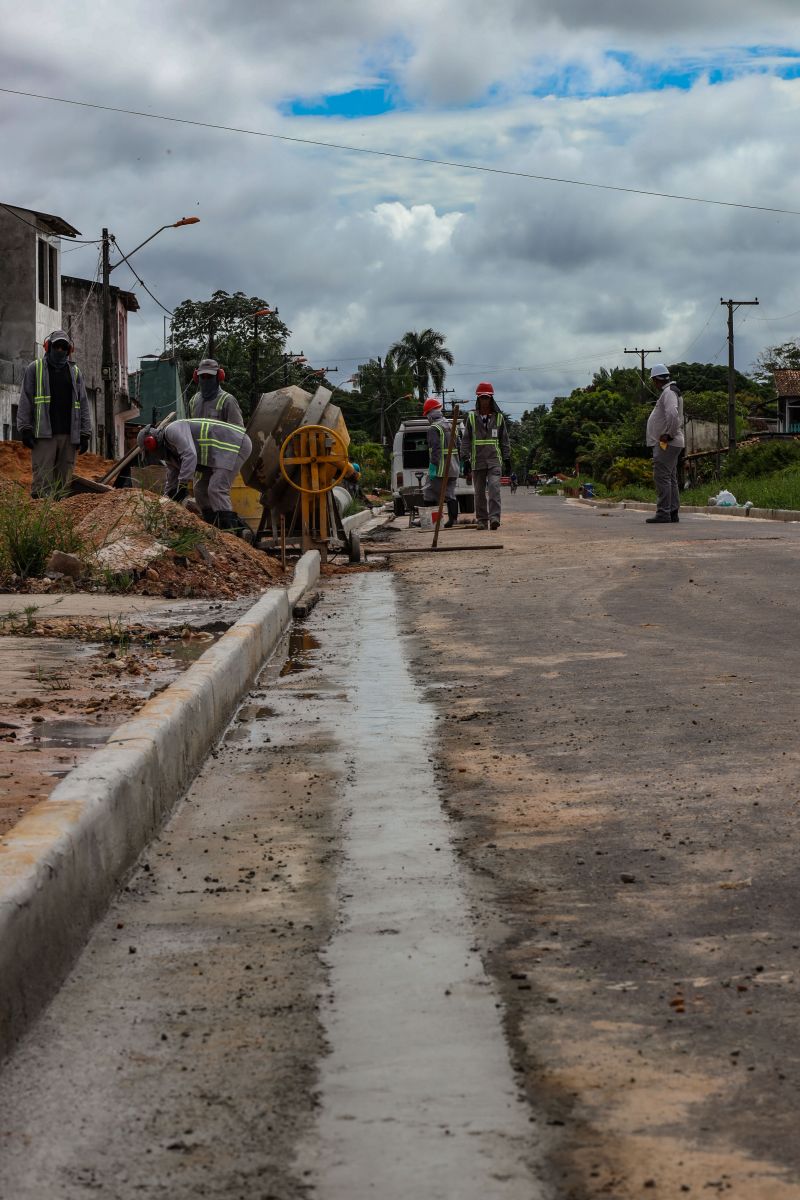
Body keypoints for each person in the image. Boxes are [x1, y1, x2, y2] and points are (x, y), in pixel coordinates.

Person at [137, 417, 252, 532]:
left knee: (216, 489)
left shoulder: (172, 430)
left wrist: (182, 485)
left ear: (151, 442)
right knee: (200, 490)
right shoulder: (169, 453)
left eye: (149, 451)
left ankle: (233, 531)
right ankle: (215, 529)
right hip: (218, 455)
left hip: (235, 444)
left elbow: (190, 455)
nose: (151, 454)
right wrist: (167, 499)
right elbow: (172, 477)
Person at [17, 329, 92, 497]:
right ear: (48, 347)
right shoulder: (34, 369)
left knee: (63, 484)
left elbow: (84, 404)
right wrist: (25, 429)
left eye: (63, 347)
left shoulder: (75, 372)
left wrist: (85, 433)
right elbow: (25, 400)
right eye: (56, 346)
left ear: (69, 350)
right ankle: (41, 520)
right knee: (43, 483)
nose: (60, 350)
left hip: (69, 436)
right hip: (43, 436)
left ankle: (58, 519)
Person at [461, 381, 511, 530]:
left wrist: (507, 458)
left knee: (495, 489)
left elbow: (505, 441)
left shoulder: (499, 418)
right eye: (482, 397)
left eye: (487, 397)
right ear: (478, 399)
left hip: (494, 460)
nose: (484, 400)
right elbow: (465, 441)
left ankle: (495, 518)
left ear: (491, 399)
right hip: (477, 461)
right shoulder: (471, 418)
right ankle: (482, 520)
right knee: (479, 494)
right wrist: (465, 459)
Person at [645, 363, 684, 524]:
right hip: (674, 442)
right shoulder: (672, 391)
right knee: (670, 477)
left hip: (669, 442)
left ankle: (663, 513)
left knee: (661, 477)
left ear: (656, 379)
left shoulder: (668, 392)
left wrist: (668, 434)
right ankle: (672, 511)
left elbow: (672, 414)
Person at [421, 397, 461, 528]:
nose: (427, 417)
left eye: (427, 414)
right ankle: (453, 520)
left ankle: (430, 521)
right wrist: (461, 464)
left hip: (440, 468)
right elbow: (459, 446)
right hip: (454, 467)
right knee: (450, 493)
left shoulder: (433, 428)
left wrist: (433, 466)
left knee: (429, 492)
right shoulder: (451, 425)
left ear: (431, 413)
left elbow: (435, 449)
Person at [189, 358, 245, 427]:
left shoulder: (228, 401)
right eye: (202, 376)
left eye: (210, 376)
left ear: (219, 377)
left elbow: (237, 433)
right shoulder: (193, 401)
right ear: (197, 377)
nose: (206, 380)